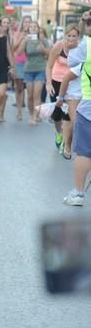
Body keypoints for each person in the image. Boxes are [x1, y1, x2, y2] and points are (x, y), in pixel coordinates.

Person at [58, 12, 91, 206]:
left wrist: (83, 24)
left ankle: (78, 194)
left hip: (89, 108)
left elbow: (71, 59)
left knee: (85, 152)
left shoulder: (87, 46)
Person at [47, 24, 81, 159]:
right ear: (64, 35)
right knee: (57, 115)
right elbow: (49, 66)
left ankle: (67, 144)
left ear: (78, 37)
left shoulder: (80, 48)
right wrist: (49, 83)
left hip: (72, 84)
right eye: (69, 35)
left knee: (69, 116)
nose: (71, 38)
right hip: (56, 81)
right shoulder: (58, 46)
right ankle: (58, 133)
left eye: (74, 36)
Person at [11, 16, 33, 121]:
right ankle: (19, 111)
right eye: (25, 22)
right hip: (19, 62)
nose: (27, 24)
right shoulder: (17, 34)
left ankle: (32, 112)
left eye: (29, 22)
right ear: (22, 24)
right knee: (19, 88)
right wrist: (22, 38)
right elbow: (15, 49)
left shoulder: (35, 35)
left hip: (31, 63)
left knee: (31, 90)